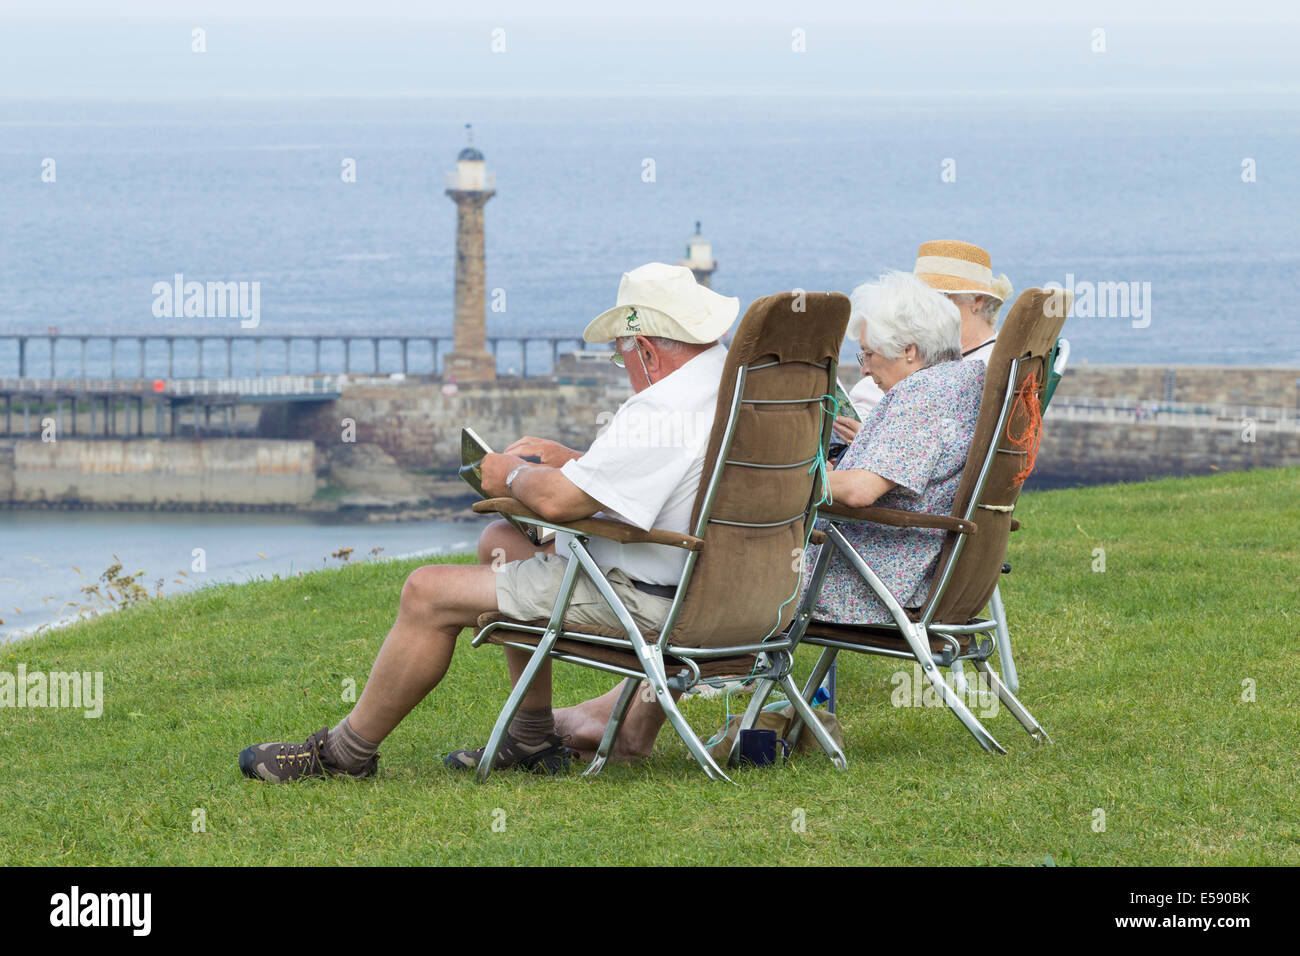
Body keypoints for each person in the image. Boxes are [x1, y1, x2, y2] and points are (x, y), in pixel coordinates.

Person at [238, 262, 737, 781]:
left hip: (659, 603)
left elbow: (562, 505)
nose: (624, 369)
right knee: (502, 541)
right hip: (733, 599)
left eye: (620, 356)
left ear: (649, 352)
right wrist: (574, 459)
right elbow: (667, 474)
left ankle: (343, 754)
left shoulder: (662, 410)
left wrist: (511, 474)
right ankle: (531, 736)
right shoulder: (730, 386)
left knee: (426, 591)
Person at [558, 271, 984, 756]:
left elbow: (862, 490)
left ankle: (616, 721)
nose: (864, 370)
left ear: (909, 350)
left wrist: (777, 470)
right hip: (904, 563)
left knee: (717, 574)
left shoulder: (921, 396)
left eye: (868, 355)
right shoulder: (962, 380)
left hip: (864, 575)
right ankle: (622, 719)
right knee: (722, 561)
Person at [837, 239, 1010, 442]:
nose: (928, 309)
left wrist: (869, 441)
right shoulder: (933, 355)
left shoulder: (987, 366)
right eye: (922, 301)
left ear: (977, 301)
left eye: (940, 298)